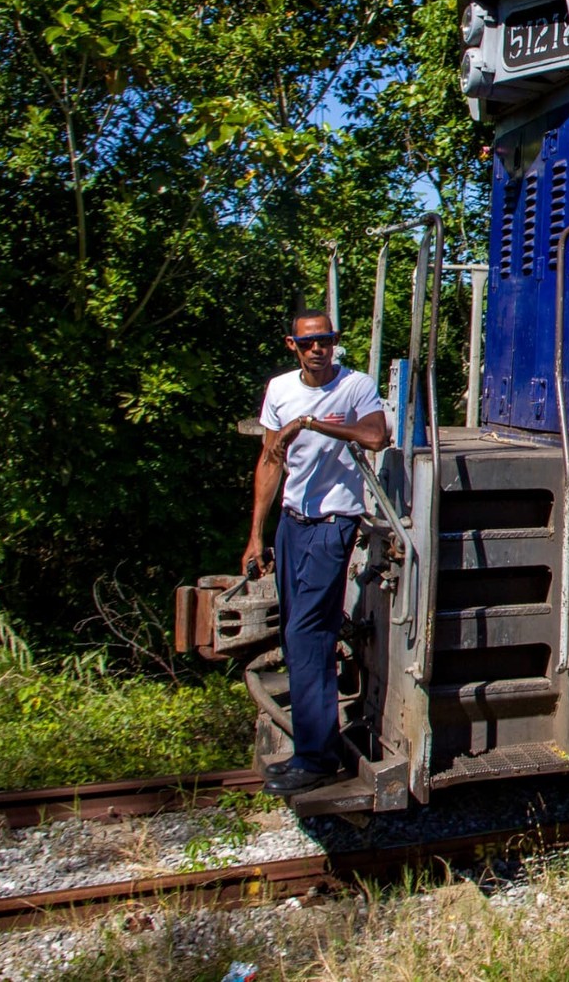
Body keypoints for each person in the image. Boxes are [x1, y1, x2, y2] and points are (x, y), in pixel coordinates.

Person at [245, 310, 389, 796]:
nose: (317, 349)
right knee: (294, 631)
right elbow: (269, 463)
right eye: (308, 343)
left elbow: (376, 436)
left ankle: (316, 756)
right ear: (293, 345)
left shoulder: (354, 388)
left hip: (333, 523)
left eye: (325, 340)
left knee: (310, 632)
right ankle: (313, 746)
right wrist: (255, 535)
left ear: (335, 342)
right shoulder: (279, 389)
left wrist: (312, 423)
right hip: (291, 524)